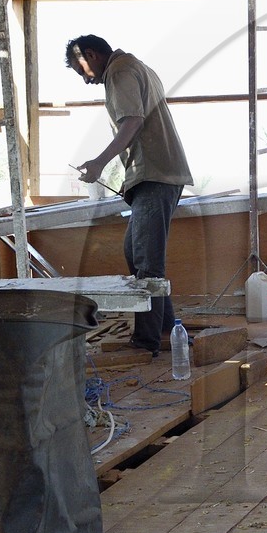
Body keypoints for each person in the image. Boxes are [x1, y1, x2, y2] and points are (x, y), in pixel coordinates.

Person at [66, 35, 193, 355]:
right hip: (155, 175)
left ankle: (146, 342)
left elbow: (133, 122)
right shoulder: (136, 66)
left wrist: (98, 162)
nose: (84, 79)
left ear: (90, 55)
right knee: (137, 256)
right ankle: (167, 328)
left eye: (79, 68)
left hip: (155, 175)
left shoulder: (120, 72)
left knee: (147, 264)